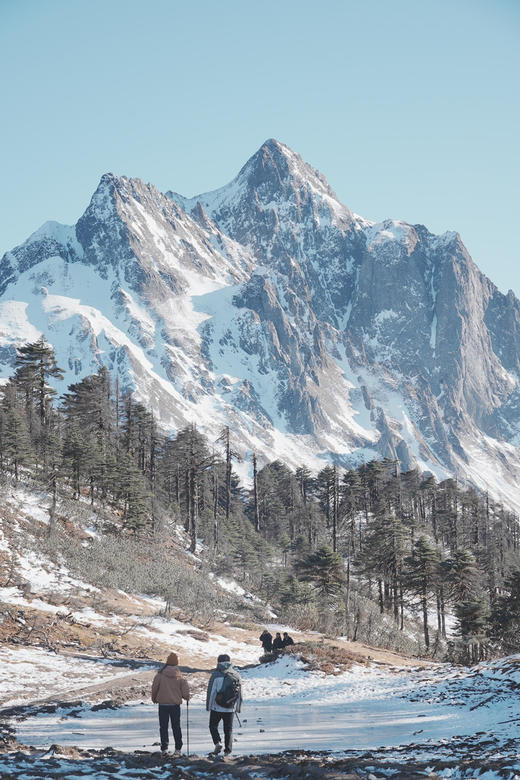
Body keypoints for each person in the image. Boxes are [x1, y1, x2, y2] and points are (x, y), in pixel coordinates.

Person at [151, 652, 190, 757]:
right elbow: (186, 693)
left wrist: (154, 699)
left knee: (163, 727)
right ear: (176, 663)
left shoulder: (160, 675)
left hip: (163, 705)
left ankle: (164, 749)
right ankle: (178, 749)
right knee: (176, 727)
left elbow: (154, 688)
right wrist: (187, 697)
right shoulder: (180, 676)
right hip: (175, 706)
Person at [206, 653, 242, 756]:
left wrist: (209, 706)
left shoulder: (216, 675)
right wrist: (238, 707)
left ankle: (217, 742)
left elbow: (211, 692)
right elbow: (239, 693)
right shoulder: (236, 675)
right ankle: (228, 751)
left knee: (213, 726)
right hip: (230, 708)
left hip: (217, 707)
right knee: (228, 730)